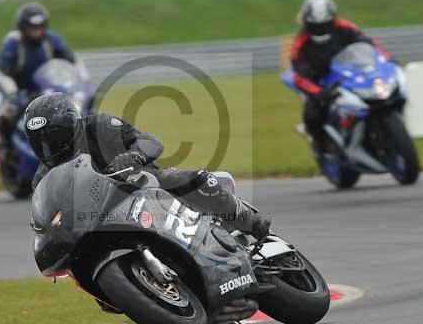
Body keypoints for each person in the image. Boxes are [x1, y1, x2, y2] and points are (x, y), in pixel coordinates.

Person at [23, 92, 271, 240]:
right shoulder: (42, 177)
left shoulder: (99, 126)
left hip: (144, 185)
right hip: (102, 220)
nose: (48, 147)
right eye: (40, 142)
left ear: (71, 126)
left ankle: (246, 219)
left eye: (53, 137)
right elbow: (45, 211)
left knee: (192, 180)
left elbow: (150, 141)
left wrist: (135, 157)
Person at [289, 0, 393, 153]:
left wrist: (386, 59)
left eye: (325, 25)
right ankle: (320, 143)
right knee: (312, 112)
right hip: (321, 81)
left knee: (380, 90)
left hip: (349, 71)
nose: (320, 29)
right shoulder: (300, 43)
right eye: (316, 26)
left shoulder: (345, 26)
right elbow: (298, 75)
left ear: (332, 19)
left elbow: (369, 43)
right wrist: (318, 93)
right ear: (306, 22)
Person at [0, 2, 76, 158]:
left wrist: (79, 83)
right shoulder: (12, 43)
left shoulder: (52, 40)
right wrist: (13, 94)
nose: (36, 31)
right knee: (8, 113)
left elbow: (71, 62)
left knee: (80, 110)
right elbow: (3, 72)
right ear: (22, 27)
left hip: (50, 89)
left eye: (40, 27)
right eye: (32, 28)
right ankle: (5, 147)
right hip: (22, 92)